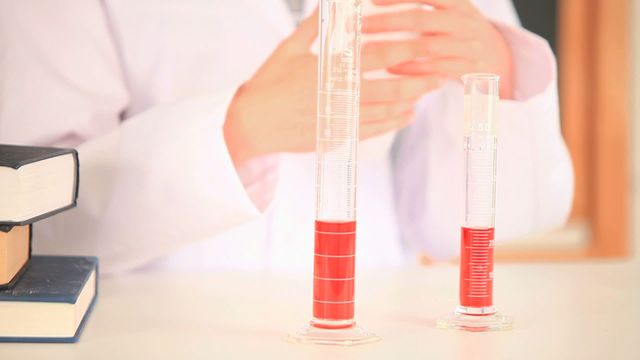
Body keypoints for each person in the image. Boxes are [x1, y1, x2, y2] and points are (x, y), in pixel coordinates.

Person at [0, 0, 573, 274]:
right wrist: (239, 131)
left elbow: (468, 225)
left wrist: (499, 67)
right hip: (155, 336)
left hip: (378, 326)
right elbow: (31, 228)